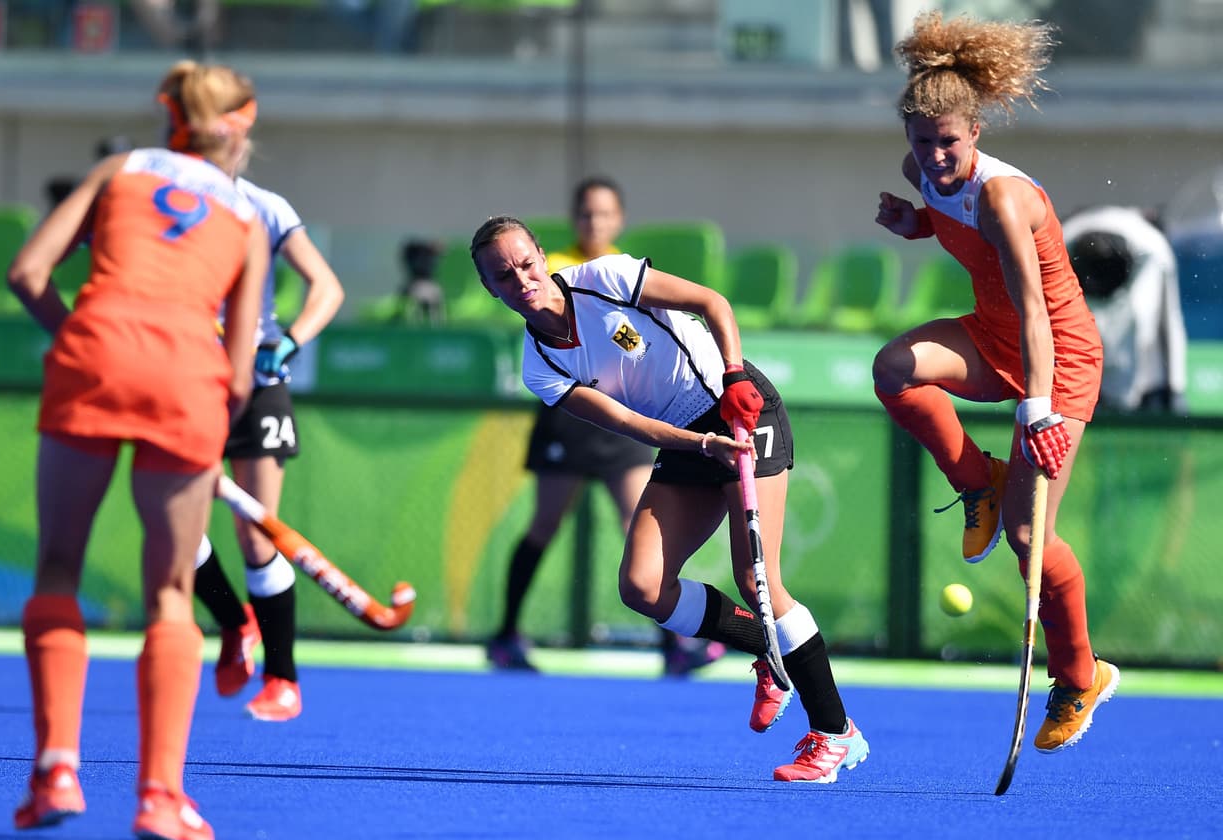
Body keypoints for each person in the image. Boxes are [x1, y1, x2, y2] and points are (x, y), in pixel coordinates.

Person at [470, 216, 868, 783]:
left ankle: (836, 734)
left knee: (758, 579)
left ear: (541, 256)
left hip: (740, 408)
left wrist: (733, 377)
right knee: (643, 586)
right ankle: (767, 650)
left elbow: (712, 301)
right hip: (689, 438)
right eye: (504, 276)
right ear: (490, 289)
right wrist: (702, 444)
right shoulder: (542, 365)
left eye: (526, 263)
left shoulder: (604, 277)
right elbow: (627, 421)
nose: (521, 280)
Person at [6, 60, 267, 840]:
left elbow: (26, 271)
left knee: (58, 567)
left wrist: (83, 343)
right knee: (172, 593)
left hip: (92, 355)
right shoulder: (249, 222)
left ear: (170, 117)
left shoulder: (119, 169)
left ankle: (55, 767)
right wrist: (207, 429)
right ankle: (160, 795)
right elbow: (244, 371)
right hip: (190, 377)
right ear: (241, 130)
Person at [872, 11, 1119, 755]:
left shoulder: (1006, 199)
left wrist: (1037, 410)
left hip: (1059, 358)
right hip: (992, 337)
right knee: (894, 370)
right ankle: (977, 479)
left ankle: (1081, 675)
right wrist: (913, 222)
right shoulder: (924, 173)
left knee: (1026, 540)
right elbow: (945, 220)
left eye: (949, 142)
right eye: (923, 143)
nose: (936, 156)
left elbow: (1039, 309)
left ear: (976, 132)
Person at [485, 177, 725, 678]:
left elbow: (699, 308)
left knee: (637, 523)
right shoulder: (547, 271)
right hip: (575, 421)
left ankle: (674, 646)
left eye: (604, 215)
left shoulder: (612, 271)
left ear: (618, 220)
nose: (594, 223)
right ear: (573, 221)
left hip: (637, 420)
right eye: (586, 214)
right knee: (545, 524)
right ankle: (505, 634)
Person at [192, 141, 346, 723]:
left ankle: (283, 677)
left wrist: (290, 341)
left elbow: (326, 288)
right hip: (188, 377)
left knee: (257, 533)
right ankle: (235, 623)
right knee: (177, 533)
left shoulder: (266, 207)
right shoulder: (165, 199)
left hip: (255, 376)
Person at [1062, 204, 1188, 414]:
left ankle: (1142, 397)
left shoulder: (1151, 249)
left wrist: (1173, 390)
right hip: (1076, 258)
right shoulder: (1063, 242)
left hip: (1140, 260)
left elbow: (1164, 327)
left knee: (1140, 323)